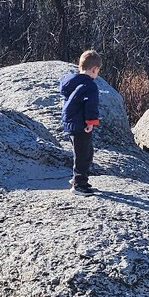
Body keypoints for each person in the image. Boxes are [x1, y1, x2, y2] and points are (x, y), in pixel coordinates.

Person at [59, 50, 102, 196]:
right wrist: (91, 122)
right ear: (94, 69)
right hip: (81, 125)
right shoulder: (89, 85)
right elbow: (91, 105)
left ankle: (79, 179)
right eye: (97, 72)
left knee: (84, 153)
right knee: (84, 155)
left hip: (70, 123)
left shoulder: (70, 81)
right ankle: (79, 185)